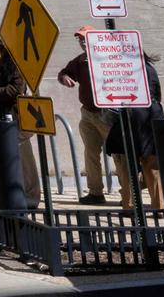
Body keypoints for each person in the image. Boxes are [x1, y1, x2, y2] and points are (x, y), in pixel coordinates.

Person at [103, 51, 164, 210]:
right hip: (152, 113)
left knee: (126, 164)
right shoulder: (150, 68)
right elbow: (158, 94)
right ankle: (159, 207)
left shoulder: (122, 70)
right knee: (152, 165)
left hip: (130, 116)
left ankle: (129, 207)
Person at [56, 26, 110, 204]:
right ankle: (96, 193)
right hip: (87, 114)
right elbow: (63, 72)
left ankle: (129, 192)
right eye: (79, 39)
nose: (82, 41)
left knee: (119, 154)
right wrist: (64, 77)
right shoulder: (80, 62)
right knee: (91, 153)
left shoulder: (108, 59)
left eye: (85, 38)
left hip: (108, 113)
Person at [0, 38, 37, 201]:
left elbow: (16, 90)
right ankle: (11, 196)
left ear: (2, 50)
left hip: (17, 118)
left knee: (23, 159)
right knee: (3, 159)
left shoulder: (14, 68)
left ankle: (31, 197)